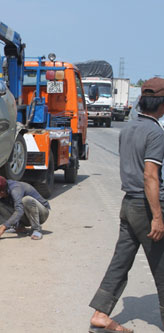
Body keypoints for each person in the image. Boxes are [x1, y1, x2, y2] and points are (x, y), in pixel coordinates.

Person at [88, 77, 164, 333]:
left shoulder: (128, 129)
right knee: (162, 266)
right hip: (145, 207)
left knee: (120, 261)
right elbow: (150, 176)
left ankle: (100, 314)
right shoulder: (155, 132)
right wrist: (157, 217)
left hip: (128, 204)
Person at [0, 175, 51, 240]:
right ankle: (19, 227)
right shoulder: (3, 188)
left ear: (1, 192)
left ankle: (36, 230)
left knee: (26, 200)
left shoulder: (16, 189)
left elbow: (19, 211)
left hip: (41, 214)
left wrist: (3, 227)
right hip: (26, 215)